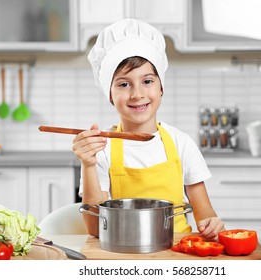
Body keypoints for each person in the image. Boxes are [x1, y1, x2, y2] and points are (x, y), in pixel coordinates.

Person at [73, 18, 225, 239]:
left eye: (147, 81)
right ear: (109, 95)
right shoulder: (101, 150)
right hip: (125, 250)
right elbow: (96, 229)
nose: (137, 94)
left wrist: (212, 225)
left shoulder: (181, 143)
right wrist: (88, 164)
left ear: (161, 87)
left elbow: (205, 216)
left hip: (178, 252)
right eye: (124, 84)